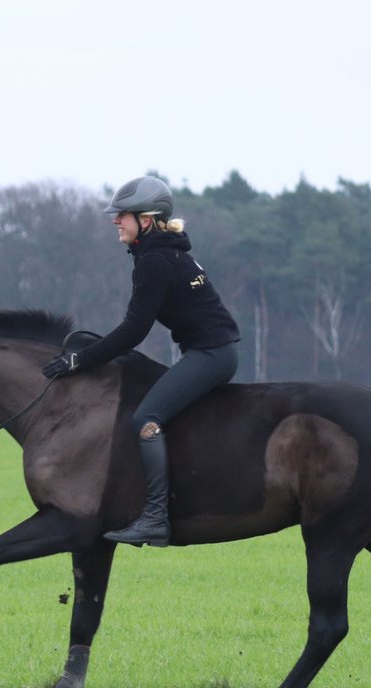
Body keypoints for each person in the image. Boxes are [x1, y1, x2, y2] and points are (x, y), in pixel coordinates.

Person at [42, 175, 241, 547]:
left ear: (146, 220)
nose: (116, 221)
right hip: (214, 352)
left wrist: (79, 362)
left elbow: (134, 331)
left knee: (145, 418)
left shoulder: (155, 260)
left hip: (211, 356)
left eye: (123, 215)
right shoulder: (166, 252)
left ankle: (155, 519)